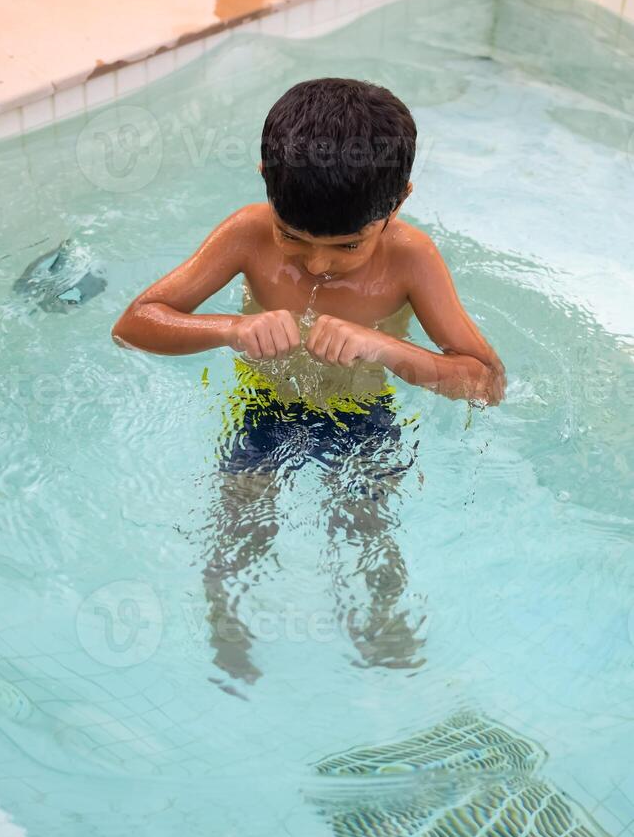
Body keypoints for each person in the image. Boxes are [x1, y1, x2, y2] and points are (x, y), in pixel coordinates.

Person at [113, 77, 505, 686]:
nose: (316, 264)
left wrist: (388, 347)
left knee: (369, 530)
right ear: (266, 179)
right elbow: (134, 323)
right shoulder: (246, 233)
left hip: (361, 417)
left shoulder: (410, 259)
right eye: (292, 237)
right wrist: (227, 330)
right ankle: (226, 622)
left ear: (398, 202)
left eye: (348, 244)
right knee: (241, 526)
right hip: (264, 406)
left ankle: (383, 622)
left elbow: (485, 381)